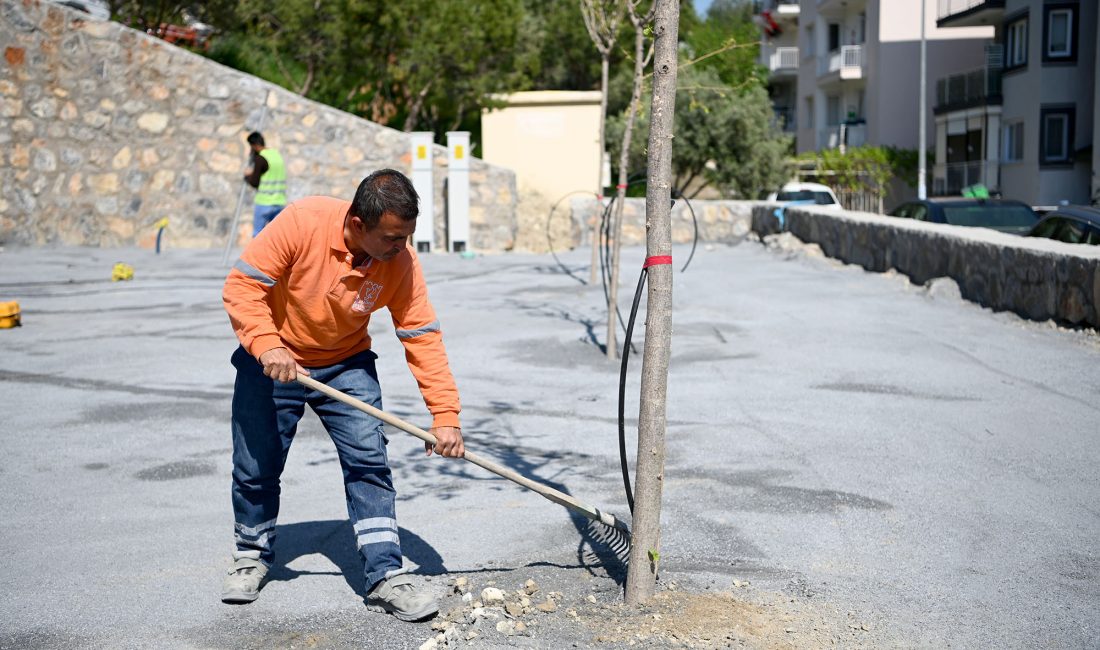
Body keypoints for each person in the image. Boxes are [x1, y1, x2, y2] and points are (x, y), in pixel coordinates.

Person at [221, 169, 464, 622]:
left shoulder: (400, 261)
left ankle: (385, 574)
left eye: (407, 237)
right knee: (256, 465)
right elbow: (242, 286)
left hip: (347, 363)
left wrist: (444, 415)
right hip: (273, 360)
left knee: (369, 461)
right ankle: (251, 554)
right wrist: (268, 344)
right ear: (356, 223)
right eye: (393, 237)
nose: (401, 247)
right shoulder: (303, 222)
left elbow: (422, 334)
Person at [243, 132, 287, 236]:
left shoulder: (261, 158)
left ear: (253, 145)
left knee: (258, 236)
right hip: (279, 202)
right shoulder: (276, 155)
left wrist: (247, 176)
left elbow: (254, 182)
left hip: (264, 203)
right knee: (277, 237)